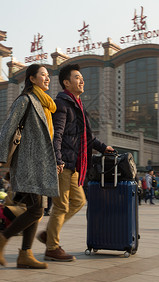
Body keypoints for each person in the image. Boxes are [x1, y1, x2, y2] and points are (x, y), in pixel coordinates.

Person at [36, 63, 114, 262]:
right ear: (66, 83)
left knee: (79, 201)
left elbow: (87, 137)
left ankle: (49, 234)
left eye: (82, 77)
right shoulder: (62, 104)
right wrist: (58, 159)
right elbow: (58, 135)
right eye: (77, 77)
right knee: (61, 206)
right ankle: (52, 247)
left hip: (75, 165)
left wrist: (104, 147)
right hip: (63, 164)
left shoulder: (78, 105)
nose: (82, 80)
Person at [0, 64, 59, 269]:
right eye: (43, 75)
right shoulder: (25, 100)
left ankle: (25, 254)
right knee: (37, 210)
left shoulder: (45, 104)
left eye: (48, 75)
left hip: (42, 164)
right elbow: (9, 127)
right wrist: (0, 158)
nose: (47, 79)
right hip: (28, 163)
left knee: (35, 208)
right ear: (32, 78)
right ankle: (0, 239)